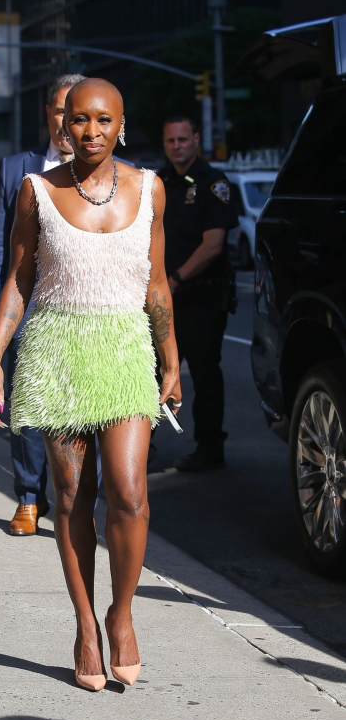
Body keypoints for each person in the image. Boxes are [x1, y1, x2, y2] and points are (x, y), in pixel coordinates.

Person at [0, 78, 181, 691]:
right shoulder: (37, 191)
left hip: (123, 351)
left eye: (103, 120)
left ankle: (121, 615)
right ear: (61, 123)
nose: (89, 131)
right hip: (57, 354)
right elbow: (18, 276)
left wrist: (170, 359)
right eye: (78, 120)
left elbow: (157, 284)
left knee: (129, 491)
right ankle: (85, 625)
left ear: (122, 123)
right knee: (69, 497)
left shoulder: (151, 189)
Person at [0, 74, 86, 537]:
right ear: (48, 113)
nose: (67, 122)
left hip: (81, 314)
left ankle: (74, 496)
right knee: (25, 410)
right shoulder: (16, 169)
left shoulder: (107, 171)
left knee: (75, 410)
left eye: (75, 112)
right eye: (61, 111)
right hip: (24, 311)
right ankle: (27, 496)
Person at [159, 115, 238, 472]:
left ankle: (209, 448)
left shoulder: (212, 183)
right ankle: (139, 447)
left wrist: (174, 279)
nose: (177, 146)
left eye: (182, 139)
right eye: (170, 141)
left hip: (201, 299)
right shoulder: (158, 182)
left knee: (204, 375)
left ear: (195, 139)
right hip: (164, 301)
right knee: (152, 372)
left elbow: (213, 245)